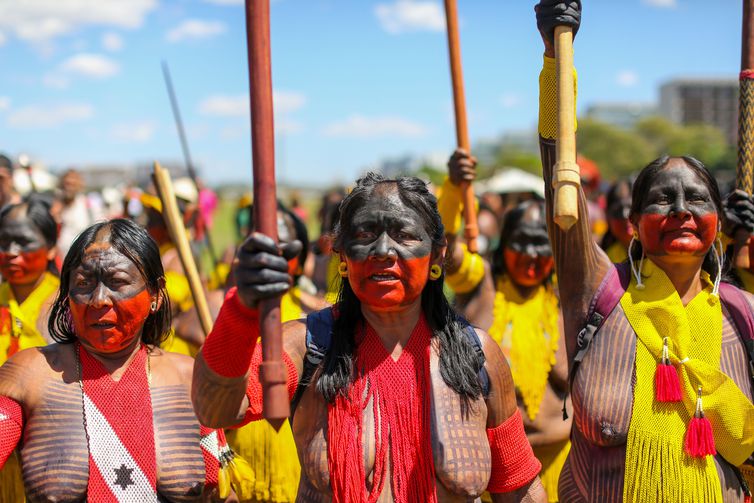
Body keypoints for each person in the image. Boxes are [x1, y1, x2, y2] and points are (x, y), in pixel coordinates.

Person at [192, 173, 546, 502]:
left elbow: (518, 485)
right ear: (342, 255)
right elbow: (217, 409)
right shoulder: (308, 345)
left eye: (404, 235)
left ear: (437, 252)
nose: (383, 251)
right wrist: (242, 309)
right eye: (364, 235)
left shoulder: (477, 354)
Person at [535, 1, 754, 501]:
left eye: (697, 199)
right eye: (662, 199)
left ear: (718, 223)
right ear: (632, 225)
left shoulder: (743, 314)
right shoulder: (596, 289)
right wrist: (555, 59)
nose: (680, 210)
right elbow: (557, 174)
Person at [0, 218, 231, 501]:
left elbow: (220, 493)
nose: (99, 300)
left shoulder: (188, 378)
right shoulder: (29, 375)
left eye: (117, 282)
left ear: (155, 294)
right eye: (84, 283)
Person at [440, 151, 571, 502]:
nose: (531, 254)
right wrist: (453, 189)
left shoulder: (567, 295)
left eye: (540, 243)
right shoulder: (481, 283)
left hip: (560, 465)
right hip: (493, 471)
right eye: (521, 243)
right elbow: (447, 254)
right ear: (503, 247)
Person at [224, 200, 327, 503]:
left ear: (297, 258)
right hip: (239, 479)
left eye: (282, 249)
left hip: (299, 479)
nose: (272, 258)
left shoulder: (319, 316)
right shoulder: (225, 309)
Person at [0, 196, 60, 501]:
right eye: (4, 241)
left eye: (23, 242)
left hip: (48, 454)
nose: (11, 253)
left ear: (50, 247)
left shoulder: (68, 306)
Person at [54, 169, 103, 259]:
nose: (69, 188)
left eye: (73, 184)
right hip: (58, 264)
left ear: (79, 186)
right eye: (67, 184)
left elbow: (100, 232)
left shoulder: (88, 206)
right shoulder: (54, 206)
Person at [601, 179, 634, 263]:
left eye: (630, 208)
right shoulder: (607, 258)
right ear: (607, 216)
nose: (625, 216)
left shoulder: (657, 254)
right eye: (618, 211)